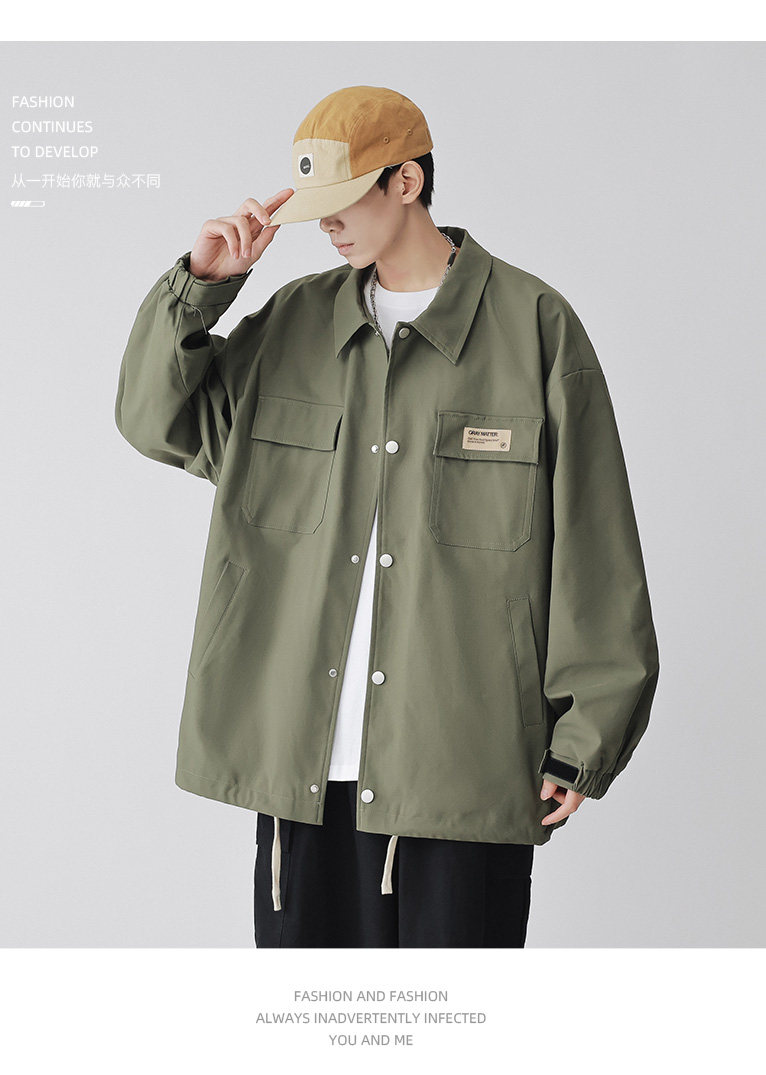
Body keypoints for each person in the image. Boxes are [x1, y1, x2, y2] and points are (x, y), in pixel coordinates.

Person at [115, 85, 660, 948]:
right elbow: (159, 422)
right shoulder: (294, 323)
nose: (327, 226)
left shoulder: (535, 328)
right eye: (317, 208)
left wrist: (585, 738)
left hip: (463, 766)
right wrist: (202, 288)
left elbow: (595, 546)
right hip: (302, 770)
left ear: (406, 181)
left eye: (344, 201)